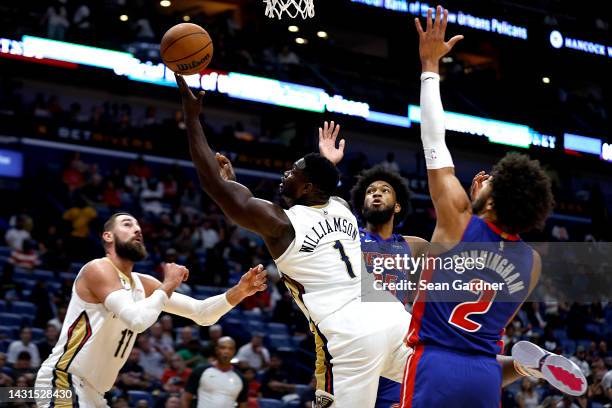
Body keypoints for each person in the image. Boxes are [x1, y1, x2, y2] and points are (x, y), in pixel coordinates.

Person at [176, 74, 412, 407]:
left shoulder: (281, 224)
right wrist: (324, 165)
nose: (286, 173)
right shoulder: (343, 208)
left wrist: (191, 116)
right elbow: (322, 195)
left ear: (308, 187)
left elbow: (214, 186)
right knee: (438, 391)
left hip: (351, 335)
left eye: (294, 171)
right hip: (393, 317)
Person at [318, 122, 583, 407]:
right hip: (356, 337)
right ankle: (522, 365)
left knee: (453, 360)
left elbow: (459, 257)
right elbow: (319, 218)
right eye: (371, 191)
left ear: (398, 206)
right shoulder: (349, 236)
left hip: (396, 340)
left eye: (385, 189)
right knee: (461, 362)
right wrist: (326, 166)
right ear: (361, 202)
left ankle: (521, 365)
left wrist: (477, 210)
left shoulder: (414, 244)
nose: (377, 193)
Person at [401, 6, 585, 407]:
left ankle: (522, 365)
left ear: (496, 199)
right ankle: (522, 366)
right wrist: (477, 202)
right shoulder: (531, 261)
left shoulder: (456, 219)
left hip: (434, 364)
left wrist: (429, 65)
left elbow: (434, 140)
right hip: (484, 375)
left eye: (493, 181)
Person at [35, 212, 267, 407]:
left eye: (138, 226)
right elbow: (137, 320)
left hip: (93, 393)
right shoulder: (98, 269)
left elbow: (202, 314)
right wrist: (166, 286)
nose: (137, 230)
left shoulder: (143, 283)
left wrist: (240, 291)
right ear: (108, 236)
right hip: (62, 381)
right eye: (127, 224)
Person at [182, 336, 248, 408]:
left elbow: (243, 405)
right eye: (223, 348)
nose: (226, 351)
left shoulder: (241, 378)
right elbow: (186, 398)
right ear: (216, 350)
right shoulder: (200, 371)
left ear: (234, 351)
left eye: (230, 348)